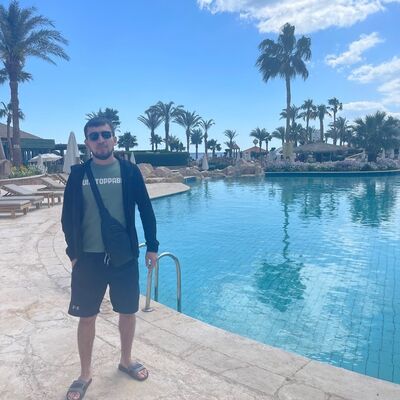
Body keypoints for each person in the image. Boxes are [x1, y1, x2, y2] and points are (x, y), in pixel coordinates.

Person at [61, 117, 158, 400]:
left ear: (114, 138)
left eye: (105, 134)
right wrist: (73, 254)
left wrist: (152, 247)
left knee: (127, 312)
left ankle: (126, 360)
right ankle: (85, 374)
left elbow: (146, 210)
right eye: (94, 136)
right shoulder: (78, 174)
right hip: (88, 260)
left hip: (123, 257)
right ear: (87, 143)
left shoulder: (129, 171)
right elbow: (67, 217)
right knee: (86, 317)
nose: (101, 140)